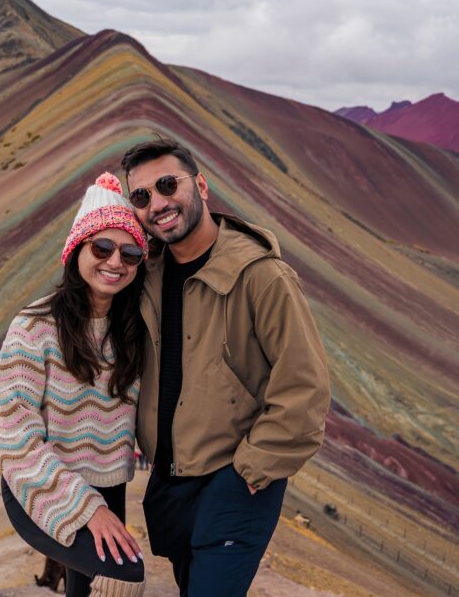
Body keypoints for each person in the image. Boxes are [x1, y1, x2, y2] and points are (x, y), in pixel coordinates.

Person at [120, 138, 331, 597]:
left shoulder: (262, 276)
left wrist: (249, 472)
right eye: (141, 197)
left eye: (167, 185)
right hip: (172, 479)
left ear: (200, 185)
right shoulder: (147, 274)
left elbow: (305, 390)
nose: (158, 203)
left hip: (234, 480)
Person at [0, 172, 148, 597]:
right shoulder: (34, 327)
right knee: (124, 579)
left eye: (130, 253)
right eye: (102, 247)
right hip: (38, 487)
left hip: (109, 485)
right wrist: (86, 508)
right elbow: (17, 441)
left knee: (89, 590)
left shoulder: (133, 330)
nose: (115, 262)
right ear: (76, 249)